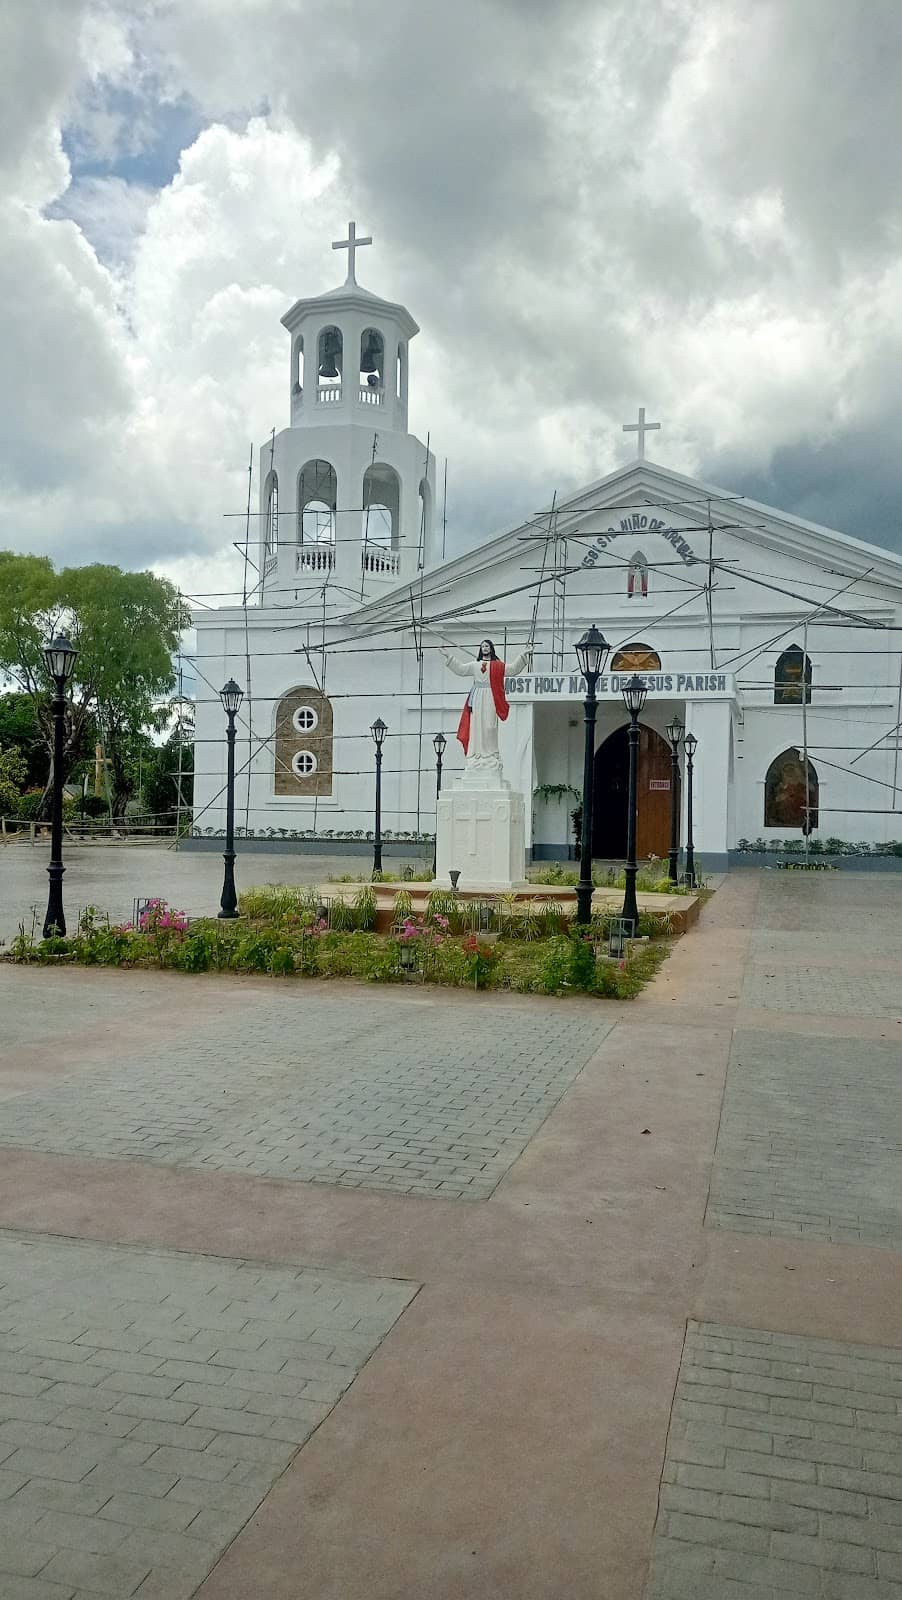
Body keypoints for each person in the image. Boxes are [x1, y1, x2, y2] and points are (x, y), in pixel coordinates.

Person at [439, 638, 530, 769]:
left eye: (487, 646)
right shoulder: (475, 665)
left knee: (490, 726)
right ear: (480, 649)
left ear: (491, 648)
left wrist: (523, 654)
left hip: (491, 696)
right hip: (477, 697)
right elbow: (460, 669)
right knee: (476, 725)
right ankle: (477, 754)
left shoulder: (497, 665)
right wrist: (448, 655)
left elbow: (512, 669)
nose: (485, 648)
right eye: (482, 646)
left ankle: (491, 754)